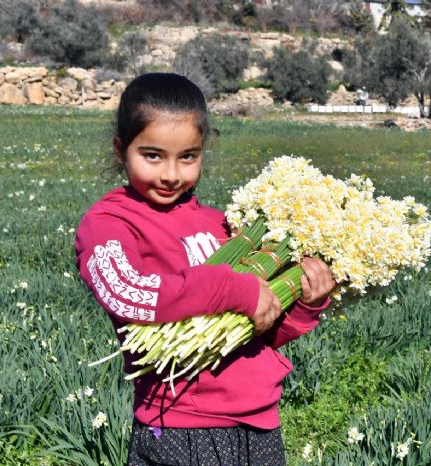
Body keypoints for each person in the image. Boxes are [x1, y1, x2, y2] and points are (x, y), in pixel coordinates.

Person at [74, 73, 335, 466]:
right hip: (179, 424)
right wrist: (231, 288)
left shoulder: (223, 227)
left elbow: (253, 332)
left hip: (259, 421)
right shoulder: (111, 222)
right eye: (152, 155)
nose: (171, 174)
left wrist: (303, 308)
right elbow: (125, 291)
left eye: (188, 157)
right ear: (119, 150)